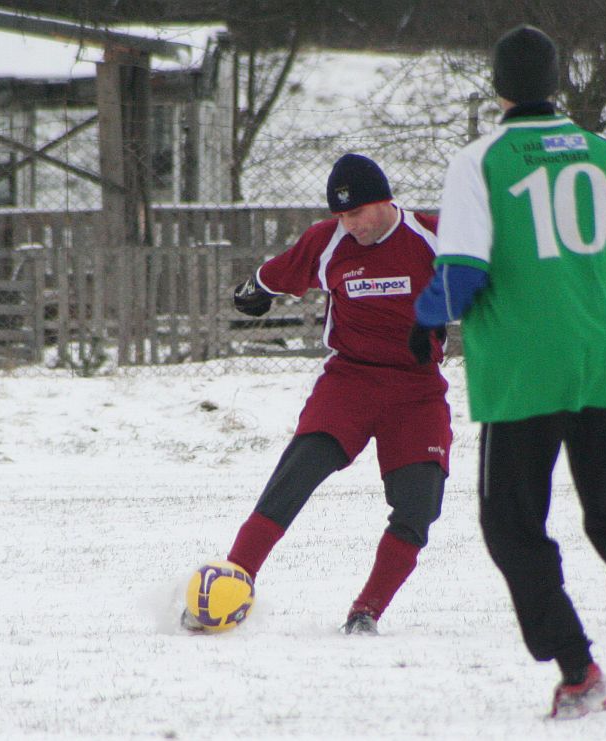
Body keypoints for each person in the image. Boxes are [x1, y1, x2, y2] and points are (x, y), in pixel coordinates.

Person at [413, 25, 606, 719]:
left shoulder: (480, 160)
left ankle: (579, 669)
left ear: (499, 86)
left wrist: (421, 319)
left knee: (511, 525)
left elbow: (462, 274)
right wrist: (587, 283)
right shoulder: (605, 154)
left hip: (523, 368)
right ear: (558, 81)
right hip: (601, 360)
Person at [183, 153, 452, 636]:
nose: (351, 226)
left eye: (358, 214)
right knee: (298, 469)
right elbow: (279, 273)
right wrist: (254, 289)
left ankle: (365, 612)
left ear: (385, 201)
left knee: (418, 505)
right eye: (342, 216)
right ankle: (231, 581)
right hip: (350, 381)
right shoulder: (328, 242)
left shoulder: (433, 236)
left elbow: (485, 275)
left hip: (416, 390)